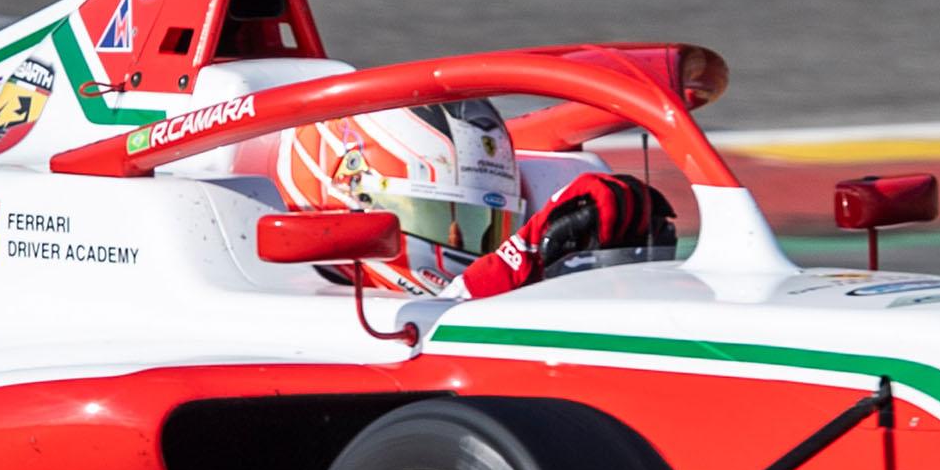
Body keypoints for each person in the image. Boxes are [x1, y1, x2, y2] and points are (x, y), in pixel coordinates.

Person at [263, 102, 674, 300]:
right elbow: (437, 324)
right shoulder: (277, 315)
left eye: (486, 224)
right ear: (347, 202)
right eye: (435, 215)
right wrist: (520, 255)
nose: (461, 240)